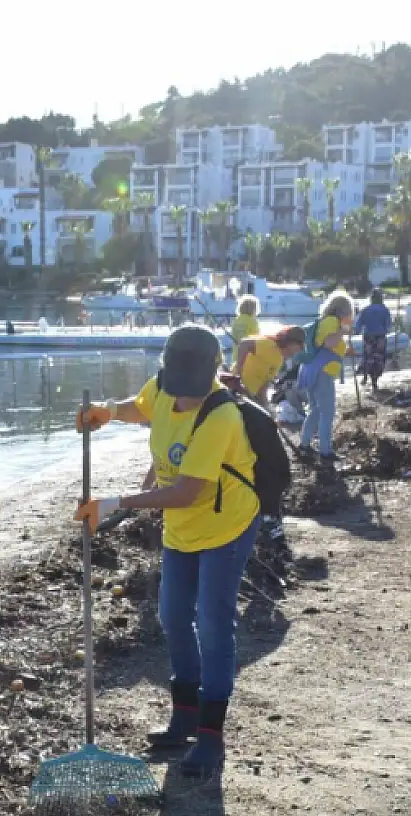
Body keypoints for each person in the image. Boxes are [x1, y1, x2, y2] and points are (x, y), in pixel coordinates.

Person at [74, 325, 263, 778]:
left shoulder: (221, 417)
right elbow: (139, 407)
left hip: (227, 525)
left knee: (213, 623)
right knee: (173, 615)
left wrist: (117, 504)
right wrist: (106, 412)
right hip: (183, 530)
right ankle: (183, 717)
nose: (184, 395)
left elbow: (186, 493)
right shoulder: (162, 388)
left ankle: (211, 738)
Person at [297, 292, 354, 470]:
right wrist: (343, 331)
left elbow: (326, 344)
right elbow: (329, 343)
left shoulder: (323, 321)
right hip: (323, 372)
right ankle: (325, 451)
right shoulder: (332, 323)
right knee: (327, 412)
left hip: (313, 369)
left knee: (315, 409)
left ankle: (305, 443)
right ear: (343, 310)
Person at [228, 326, 307, 404]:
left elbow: (263, 388)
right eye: (298, 348)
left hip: (247, 396)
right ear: (291, 342)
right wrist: (238, 374)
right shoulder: (269, 345)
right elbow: (244, 344)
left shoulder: (279, 360)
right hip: (234, 389)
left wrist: (266, 407)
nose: (296, 353)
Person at [353, 288, 393, 391]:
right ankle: (374, 381)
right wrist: (385, 330)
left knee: (368, 356)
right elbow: (388, 325)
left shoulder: (365, 309)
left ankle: (366, 376)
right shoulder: (384, 310)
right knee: (378, 358)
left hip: (368, 336)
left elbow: (358, 324)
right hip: (380, 336)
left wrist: (356, 331)